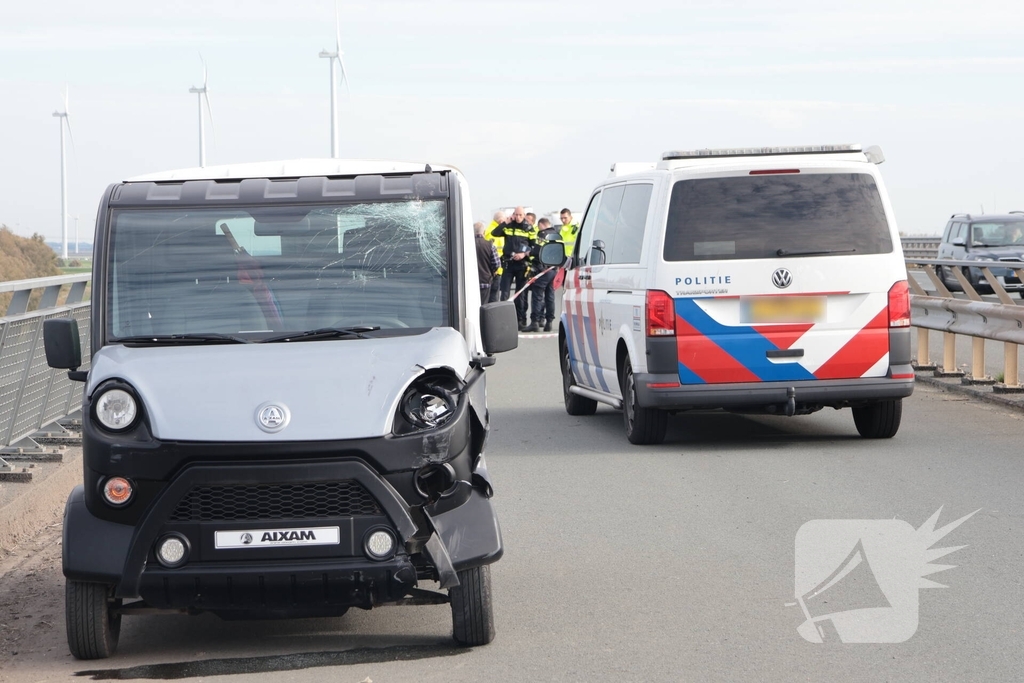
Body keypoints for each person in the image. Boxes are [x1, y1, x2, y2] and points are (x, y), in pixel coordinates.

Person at [491, 206, 535, 330]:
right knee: (504, 294)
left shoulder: (529, 228)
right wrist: (505, 222)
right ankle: (504, 322)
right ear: (513, 215)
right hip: (508, 263)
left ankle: (521, 320)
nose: (518, 217)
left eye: (520, 215)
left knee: (520, 295)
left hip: (522, 265)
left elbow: (534, 247)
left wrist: (523, 254)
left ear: (524, 215)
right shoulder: (508, 226)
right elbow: (495, 233)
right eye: (516, 214)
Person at [523, 217, 559, 332]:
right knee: (550, 296)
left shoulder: (542, 234)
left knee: (537, 296)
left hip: (543, 270)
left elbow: (537, 250)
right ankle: (549, 322)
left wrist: (529, 252)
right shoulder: (557, 235)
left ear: (541, 225)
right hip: (553, 269)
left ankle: (535, 322)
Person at [474, 221, 501, 303]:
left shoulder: (466, 245)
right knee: (484, 305)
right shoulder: (490, 245)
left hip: (470, 281)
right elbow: (496, 264)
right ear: (484, 232)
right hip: (485, 280)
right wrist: (492, 272)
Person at [484, 211, 507, 302]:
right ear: (501, 220)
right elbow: (495, 252)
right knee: (494, 295)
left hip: (491, 268)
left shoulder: (489, 228)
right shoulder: (495, 231)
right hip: (495, 269)